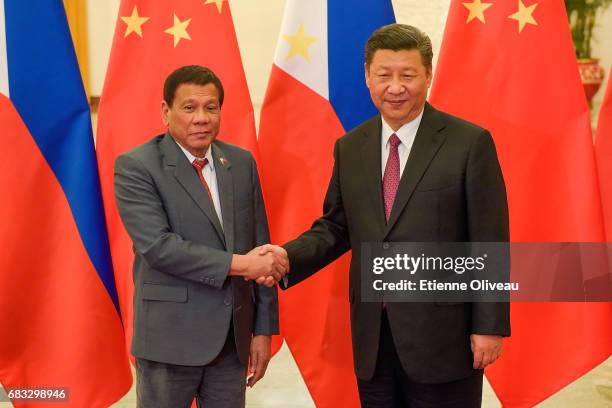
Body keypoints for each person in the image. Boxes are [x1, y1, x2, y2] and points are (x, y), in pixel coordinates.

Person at [260, 24, 510, 407]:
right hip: (374, 340)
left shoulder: (469, 143)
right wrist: (286, 257)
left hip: (444, 340)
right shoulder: (350, 147)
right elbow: (336, 226)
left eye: (407, 75)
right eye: (384, 75)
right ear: (367, 77)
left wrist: (489, 326)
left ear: (428, 75)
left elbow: (489, 241)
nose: (395, 87)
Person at [114, 65, 287, 408]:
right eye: (189, 108)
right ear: (166, 111)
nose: (201, 118)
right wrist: (242, 265)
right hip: (169, 342)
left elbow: (261, 248)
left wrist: (264, 329)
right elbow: (158, 247)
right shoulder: (137, 166)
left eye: (211, 108)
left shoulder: (239, 163)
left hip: (231, 343)